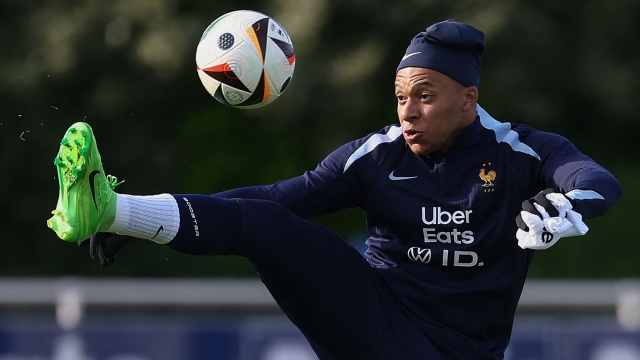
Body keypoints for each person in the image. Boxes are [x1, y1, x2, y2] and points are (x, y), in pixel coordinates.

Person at [46, 19, 622, 360]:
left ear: (468, 99)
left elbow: (595, 179)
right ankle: (107, 205)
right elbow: (271, 201)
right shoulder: (377, 155)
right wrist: (133, 217)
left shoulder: (519, 150)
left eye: (424, 94)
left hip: (455, 352)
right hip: (374, 318)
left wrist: (567, 204)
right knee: (271, 226)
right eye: (400, 96)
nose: (408, 111)